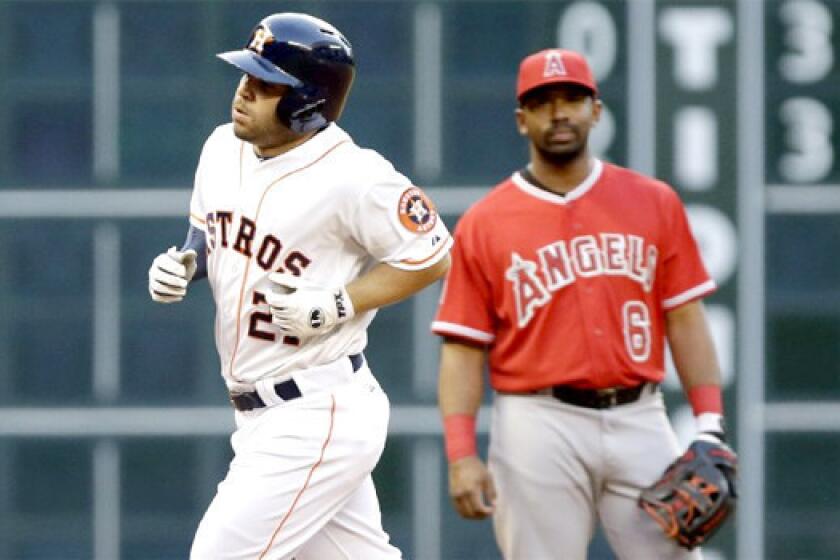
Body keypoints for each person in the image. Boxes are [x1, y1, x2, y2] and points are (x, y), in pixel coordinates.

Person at [147, 13, 451, 560]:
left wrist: (342, 302)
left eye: (264, 84)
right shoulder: (222, 147)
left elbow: (432, 254)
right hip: (264, 414)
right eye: (245, 74)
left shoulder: (355, 176)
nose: (243, 90)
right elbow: (206, 229)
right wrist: (186, 263)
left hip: (316, 408)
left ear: (307, 102)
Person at [431, 48, 736, 559]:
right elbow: (462, 348)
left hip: (640, 415)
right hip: (537, 420)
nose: (559, 113)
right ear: (521, 120)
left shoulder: (653, 201)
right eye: (543, 101)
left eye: (572, 98)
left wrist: (708, 424)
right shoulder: (486, 221)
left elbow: (685, 318)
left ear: (596, 110)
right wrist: (461, 454)